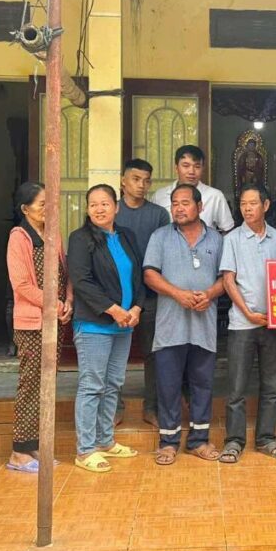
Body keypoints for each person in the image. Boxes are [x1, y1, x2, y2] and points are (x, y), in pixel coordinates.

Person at [143, 184, 226, 466]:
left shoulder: (216, 239)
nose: (178, 208)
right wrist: (177, 294)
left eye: (185, 203)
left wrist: (210, 294)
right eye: (175, 203)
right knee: (168, 385)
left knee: (202, 385)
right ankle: (168, 443)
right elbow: (150, 274)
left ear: (200, 207)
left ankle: (199, 441)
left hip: (204, 326)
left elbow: (226, 277)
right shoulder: (160, 236)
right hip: (170, 327)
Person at [67, 184, 144, 473]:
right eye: (93, 204)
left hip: (124, 325)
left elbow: (138, 277)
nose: (99, 209)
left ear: (116, 207)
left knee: (113, 384)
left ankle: (105, 440)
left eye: (105, 203)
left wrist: (136, 308)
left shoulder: (127, 236)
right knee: (92, 385)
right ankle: (85, 449)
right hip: (94, 325)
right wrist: (114, 310)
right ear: (87, 210)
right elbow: (81, 280)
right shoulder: (80, 238)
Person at [218, 184, 276, 463]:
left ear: (266, 205)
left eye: (252, 203)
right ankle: (234, 441)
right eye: (243, 204)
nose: (247, 208)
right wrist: (248, 312)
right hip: (243, 323)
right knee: (236, 388)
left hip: (274, 324)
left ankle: (267, 439)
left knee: (272, 386)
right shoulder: (233, 239)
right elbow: (228, 280)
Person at [5, 182, 73, 473]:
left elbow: (65, 272)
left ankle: (34, 445)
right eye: (42, 204)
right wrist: (54, 304)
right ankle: (18, 452)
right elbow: (21, 285)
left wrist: (68, 301)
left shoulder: (53, 233)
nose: (48, 208)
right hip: (32, 324)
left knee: (47, 384)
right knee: (31, 384)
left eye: (50, 203)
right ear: (25, 209)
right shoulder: (19, 237)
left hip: (54, 319)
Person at [115, 158, 170, 428]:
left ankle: (152, 407)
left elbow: (164, 253)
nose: (141, 185)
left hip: (150, 293)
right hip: (116, 296)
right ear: (123, 181)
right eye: (136, 179)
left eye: (146, 181)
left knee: (153, 353)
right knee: (115, 354)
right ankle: (114, 407)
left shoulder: (159, 215)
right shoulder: (111, 211)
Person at [151, 145, 235, 232]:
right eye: (186, 166)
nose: (191, 171)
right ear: (176, 168)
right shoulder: (159, 196)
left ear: (202, 169)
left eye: (197, 166)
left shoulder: (215, 196)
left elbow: (227, 230)